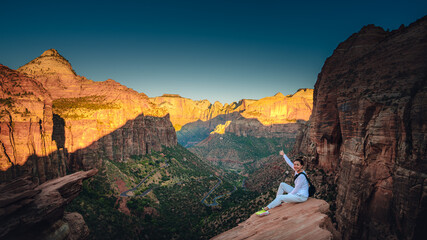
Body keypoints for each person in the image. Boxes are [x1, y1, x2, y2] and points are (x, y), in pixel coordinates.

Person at [255, 150, 309, 216]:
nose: (295, 166)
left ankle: (266, 209)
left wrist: (287, 196)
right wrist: (284, 155)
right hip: (298, 192)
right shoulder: (296, 170)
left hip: (301, 196)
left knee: (280, 197)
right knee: (282, 184)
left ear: (301, 166)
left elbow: (296, 189)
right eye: (295, 164)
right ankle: (278, 202)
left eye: (297, 165)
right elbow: (289, 163)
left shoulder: (301, 176)